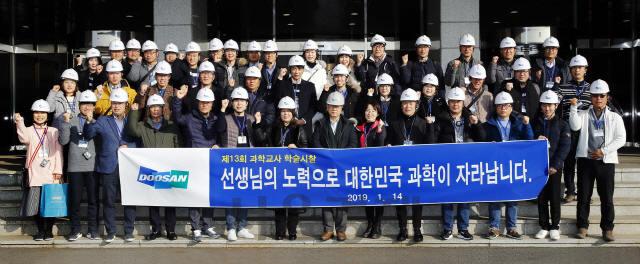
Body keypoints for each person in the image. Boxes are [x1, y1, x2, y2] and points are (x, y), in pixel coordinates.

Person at [570, 80, 626, 242]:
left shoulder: (615, 117)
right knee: (583, 196)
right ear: (590, 97)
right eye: (595, 95)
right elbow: (574, 126)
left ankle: (607, 229)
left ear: (607, 97)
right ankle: (582, 226)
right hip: (585, 161)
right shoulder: (583, 114)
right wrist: (573, 108)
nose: (598, 98)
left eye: (602, 95)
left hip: (606, 161)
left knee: (607, 198)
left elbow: (621, 138)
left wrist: (604, 151)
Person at [83, 88, 138, 243]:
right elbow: (89, 134)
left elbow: (139, 142)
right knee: (108, 200)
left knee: (129, 199)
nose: (116, 106)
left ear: (126, 104)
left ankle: (128, 231)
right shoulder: (102, 120)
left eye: (119, 103)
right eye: (114, 103)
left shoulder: (132, 121)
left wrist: (129, 147)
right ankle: (111, 231)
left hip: (128, 166)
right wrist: (88, 121)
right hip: (108, 166)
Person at [127, 95, 183, 241]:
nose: (155, 109)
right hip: (150, 169)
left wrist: (179, 165)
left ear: (163, 109)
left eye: (158, 107)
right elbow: (132, 130)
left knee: (170, 201)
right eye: (152, 107)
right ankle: (156, 229)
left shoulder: (172, 125)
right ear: (148, 110)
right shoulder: (143, 126)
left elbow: (178, 146)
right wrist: (133, 112)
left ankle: (170, 230)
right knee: (153, 201)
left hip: (169, 168)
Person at [432, 88, 485, 241]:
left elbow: (482, 140)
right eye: (453, 101)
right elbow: (434, 141)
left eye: (458, 101)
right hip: (447, 163)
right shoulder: (441, 118)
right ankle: (447, 229)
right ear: (448, 103)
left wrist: (477, 125)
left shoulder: (470, 118)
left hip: (465, 162)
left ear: (463, 103)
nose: (455, 104)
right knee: (447, 197)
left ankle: (463, 229)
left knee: (464, 196)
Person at [253, 96, 308, 240]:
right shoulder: (273, 128)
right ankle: (280, 232)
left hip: (293, 171)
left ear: (293, 113)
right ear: (279, 112)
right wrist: (258, 124)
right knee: (279, 203)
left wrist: (297, 148)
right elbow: (261, 139)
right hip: (277, 171)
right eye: (283, 111)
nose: (285, 114)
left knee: (294, 203)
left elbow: (306, 148)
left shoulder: (299, 129)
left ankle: (292, 232)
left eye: (288, 111)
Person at [482, 92, 533, 240]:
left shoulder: (518, 123)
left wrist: (527, 125)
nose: (503, 108)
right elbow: (482, 143)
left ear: (511, 108)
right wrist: (488, 145)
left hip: (512, 165)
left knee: (512, 197)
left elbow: (528, 140)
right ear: (496, 107)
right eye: (500, 106)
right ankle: (494, 227)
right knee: (495, 197)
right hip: (495, 166)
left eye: (506, 106)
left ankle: (511, 228)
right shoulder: (488, 125)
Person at [173, 88, 221, 242]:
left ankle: (207, 226)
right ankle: (196, 228)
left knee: (208, 195)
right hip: (193, 162)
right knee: (194, 196)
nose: (205, 105)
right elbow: (177, 118)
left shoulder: (216, 118)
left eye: (207, 102)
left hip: (210, 163)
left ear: (212, 104)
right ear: (198, 103)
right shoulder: (189, 118)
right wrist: (178, 100)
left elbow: (222, 134)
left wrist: (218, 145)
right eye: (202, 102)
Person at [384, 88, 432, 242]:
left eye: (411, 103)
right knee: (401, 200)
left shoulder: (423, 124)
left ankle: (417, 230)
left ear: (416, 105)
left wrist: (430, 127)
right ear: (401, 105)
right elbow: (388, 141)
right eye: (405, 103)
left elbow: (430, 145)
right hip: (399, 168)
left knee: (417, 201)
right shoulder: (394, 123)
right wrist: (388, 145)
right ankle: (402, 229)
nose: (408, 106)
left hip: (417, 167)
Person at [311, 92, 358, 242]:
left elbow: (353, 144)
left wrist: (340, 157)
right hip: (325, 167)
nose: (334, 109)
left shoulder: (348, 125)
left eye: (337, 106)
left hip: (342, 167)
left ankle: (341, 229)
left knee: (342, 198)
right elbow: (315, 143)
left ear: (342, 107)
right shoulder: (320, 124)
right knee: (327, 197)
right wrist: (326, 156)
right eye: (331, 106)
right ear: (327, 106)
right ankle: (328, 229)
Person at [15, 100, 63, 241]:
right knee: (35, 204)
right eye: (37, 112)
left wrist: (58, 170)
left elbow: (59, 152)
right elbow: (23, 138)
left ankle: (49, 230)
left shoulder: (54, 131)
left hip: (51, 173)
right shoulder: (29, 130)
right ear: (33, 114)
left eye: (42, 112)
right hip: (34, 172)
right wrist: (19, 122)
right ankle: (40, 230)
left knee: (50, 203)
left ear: (47, 115)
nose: (39, 115)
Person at [59, 91, 101, 241]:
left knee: (93, 200)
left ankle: (93, 229)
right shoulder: (70, 121)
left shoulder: (98, 123)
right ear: (79, 105)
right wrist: (65, 122)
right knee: (75, 200)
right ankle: (75, 229)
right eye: (84, 104)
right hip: (75, 167)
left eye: (90, 104)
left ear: (95, 106)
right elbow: (63, 141)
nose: (87, 107)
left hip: (92, 167)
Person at [215, 87, 256, 241]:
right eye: (236, 101)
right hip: (230, 163)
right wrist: (222, 109)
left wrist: (258, 124)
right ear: (232, 103)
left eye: (242, 101)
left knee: (244, 196)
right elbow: (218, 129)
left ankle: (242, 227)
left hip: (248, 163)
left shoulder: (251, 119)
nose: (239, 104)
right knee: (231, 196)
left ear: (247, 103)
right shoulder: (226, 118)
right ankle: (231, 227)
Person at [531, 91, 571, 240]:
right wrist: (536, 139)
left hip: (554, 167)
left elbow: (565, 146)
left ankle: (555, 226)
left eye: (550, 105)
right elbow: (527, 142)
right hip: (538, 167)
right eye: (544, 105)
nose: (547, 108)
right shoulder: (535, 123)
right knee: (541, 198)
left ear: (556, 106)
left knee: (554, 197)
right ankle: (544, 226)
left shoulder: (562, 124)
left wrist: (556, 164)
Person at [555, 55, 590, 203]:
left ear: (585, 70)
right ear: (570, 70)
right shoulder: (563, 88)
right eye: (574, 68)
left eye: (580, 68)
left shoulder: (591, 89)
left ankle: (584, 192)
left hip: (586, 130)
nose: (577, 70)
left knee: (584, 162)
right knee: (568, 162)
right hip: (569, 129)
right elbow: (554, 101)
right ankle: (570, 191)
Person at [355, 100, 386, 239]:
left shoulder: (381, 127)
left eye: (373, 111)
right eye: (368, 110)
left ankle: (377, 226)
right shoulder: (360, 128)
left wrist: (379, 130)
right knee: (367, 198)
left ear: (378, 113)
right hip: (363, 168)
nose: (370, 113)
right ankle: (370, 224)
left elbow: (380, 147)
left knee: (378, 197)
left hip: (378, 168)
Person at [274, 55, 317, 138]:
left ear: (303, 69)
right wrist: (280, 77)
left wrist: (304, 120)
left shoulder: (310, 86)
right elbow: (276, 97)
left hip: (304, 125)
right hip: (286, 124)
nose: (297, 71)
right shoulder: (283, 84)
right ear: (289, 69)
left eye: (299, 68)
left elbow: (313, 107)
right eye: (294, 68)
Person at [301, 39, 329, 126]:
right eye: (307, 52)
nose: (310, 54)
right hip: (304, 106)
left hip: (318, 107)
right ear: (304, 53)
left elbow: (323, 88)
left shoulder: (321, 70)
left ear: (316, 53)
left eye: (312, 52)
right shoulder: (300, 69)